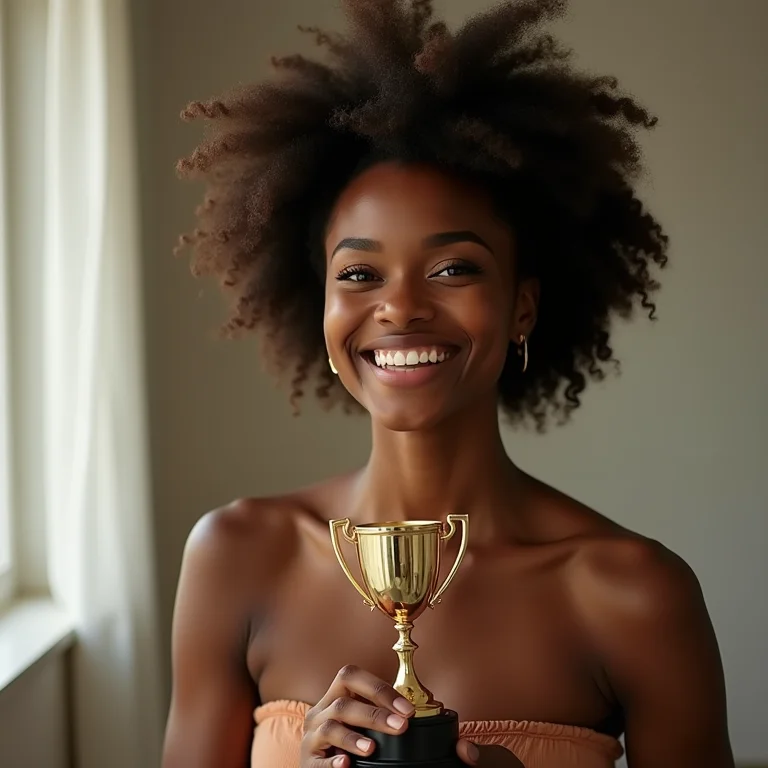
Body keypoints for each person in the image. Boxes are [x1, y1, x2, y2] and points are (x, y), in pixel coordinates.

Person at [163, 1, 734, 766]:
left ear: (521, 306)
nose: (399, 306)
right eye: (360, 273)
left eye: (453, 268)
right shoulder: (234, 557)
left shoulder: (635, 593)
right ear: (323, 315)